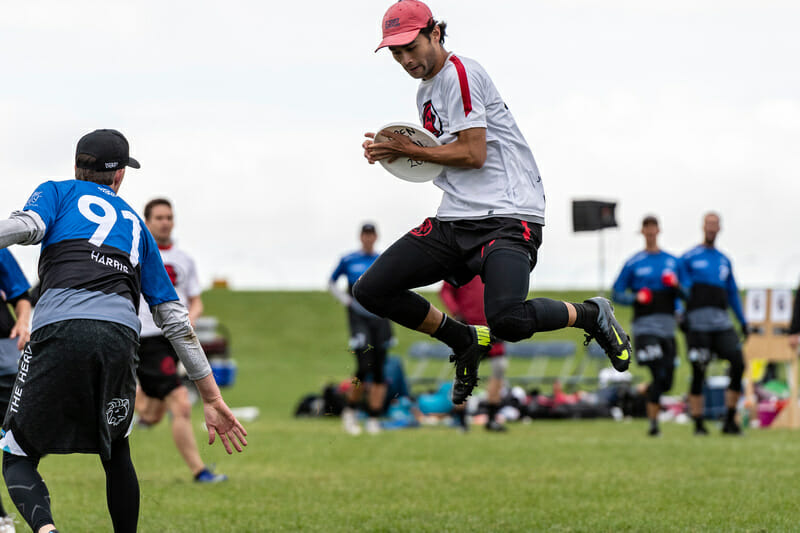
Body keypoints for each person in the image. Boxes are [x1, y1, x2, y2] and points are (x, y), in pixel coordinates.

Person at [356, 0, 631, 406]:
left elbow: (473, 153)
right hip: (457, 217)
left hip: (507, 212)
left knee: (508, 320)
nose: (405, 59)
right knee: (372, 289)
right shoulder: (425, 92)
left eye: (410, 47)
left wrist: (410, 150)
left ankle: (591, 314)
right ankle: (462, 338)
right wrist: (399, 154)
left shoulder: (460, 74)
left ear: (434, 33)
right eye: (396, 53)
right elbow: (444, 158)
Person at [0, 129, 247, 533]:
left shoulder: (56, 192)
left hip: (58, 329)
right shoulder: (136, 223)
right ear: (119, 177)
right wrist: (211, 396)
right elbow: (175, 320)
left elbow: (24, 227)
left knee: (17, 453)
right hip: (118, 339)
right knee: (116, 452)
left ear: (77, 166)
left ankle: (45, 529)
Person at [133, 198, 226, 482]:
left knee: (154, 413)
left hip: (176, 339)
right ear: (147, 222)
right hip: (147, 338)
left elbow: (195, 301)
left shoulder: (185, 259)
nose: (165, 222)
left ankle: (133, 399)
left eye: (169, 217)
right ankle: (200, 471)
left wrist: (191, 318)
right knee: (181, 403)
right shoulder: (135, 254)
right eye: (159, 217)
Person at [678, 212, 747, 436]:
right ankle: (698, 423)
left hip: (722, 324)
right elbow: (679, 290)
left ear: (719, 229)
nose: (711, 228)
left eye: (715, 225)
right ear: (702, 227)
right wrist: (680, 313)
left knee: (738, 363)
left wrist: (743, 321)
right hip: (698, 325)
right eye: (708, 224)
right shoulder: (688, 258)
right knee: (699, 370)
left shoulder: (724, 260)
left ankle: (729, 420)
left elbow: (733, 293)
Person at [611, 216, 680, 437]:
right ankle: (653, 425)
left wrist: (676, 288)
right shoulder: (633, 263)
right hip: (645, 328)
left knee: (667, 381)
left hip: (667, 328)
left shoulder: (672, 261)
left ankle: (638, 393)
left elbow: (685, 293)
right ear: (642, 231)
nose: (650, 232)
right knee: (657, 373)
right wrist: (635, 298)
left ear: (658, 230)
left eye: (653, 228)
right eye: (646, 229)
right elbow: (617, 293)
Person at [329, 223, 393, 435]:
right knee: (363, 366)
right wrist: (346, 301)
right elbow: (331, 282)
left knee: (379, 370)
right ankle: (350, 411)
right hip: (359, 319)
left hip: (381, 318)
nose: (368, 238)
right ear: (360, 237)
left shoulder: (383, 259)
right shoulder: (349, 260)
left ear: (376, 237)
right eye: (365, 234)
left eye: (371, 234)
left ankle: (374, 418)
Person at [440, 277, 508, 432]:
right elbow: (445, 291)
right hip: (469, 327)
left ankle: (491, 418)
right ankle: (462, 419)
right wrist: (456, 312)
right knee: (465, 370)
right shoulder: (460, 264)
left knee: (499, 367)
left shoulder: (494, 263)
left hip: (492, 326)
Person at [0, 249, 33, 533]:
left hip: (5, 353)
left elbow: (21, 295)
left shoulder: (0, 243)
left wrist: (23, 320)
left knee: (20, 437)